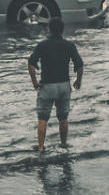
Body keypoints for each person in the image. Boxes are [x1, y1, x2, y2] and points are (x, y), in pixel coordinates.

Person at [27, 16, 84, 153]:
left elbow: (31, 64)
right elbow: (80, 65)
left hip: (47, 86)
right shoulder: (69, 45)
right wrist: (78, 80)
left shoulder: (42, 45)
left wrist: (35, 82)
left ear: (49, 29)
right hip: (64, 85)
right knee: (63, 118)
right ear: (62, 30)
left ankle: (41, 148)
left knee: (43, 118)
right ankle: (64, 145)